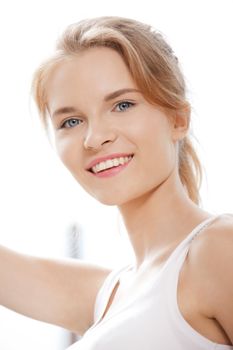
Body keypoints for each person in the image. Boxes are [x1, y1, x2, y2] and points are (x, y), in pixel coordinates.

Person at [1, 16, 233, 349]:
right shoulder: (111, 295)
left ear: (178, 119)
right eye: (71, 121)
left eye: (122, 105)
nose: (94, 138)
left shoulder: (217, 250)